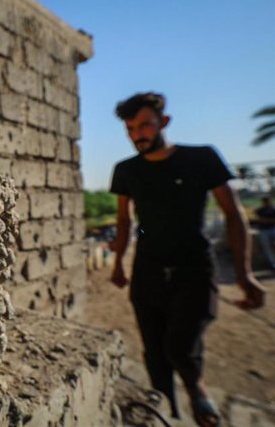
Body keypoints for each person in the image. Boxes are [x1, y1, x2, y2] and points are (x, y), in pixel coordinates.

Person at [108, 92, 265, 427]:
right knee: (154, 351)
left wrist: (245, 274)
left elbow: (234, 214)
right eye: (131, 128)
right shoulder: (126, 171)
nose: (139, 134)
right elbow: (124, 220)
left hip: (194, 266)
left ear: (164, 122)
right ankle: (167, 414)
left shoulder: (202, 159)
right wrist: (119, 261)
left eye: (146, 125)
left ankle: (198, 392)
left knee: (180, 345)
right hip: (147, 268)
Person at [254, 196, 275, 270]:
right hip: (264, 230)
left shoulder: (273, 209)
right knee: (267, 247)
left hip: (272, 229)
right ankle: (272, 264)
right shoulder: (260, 210)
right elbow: (259, 219)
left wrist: (266, 220)